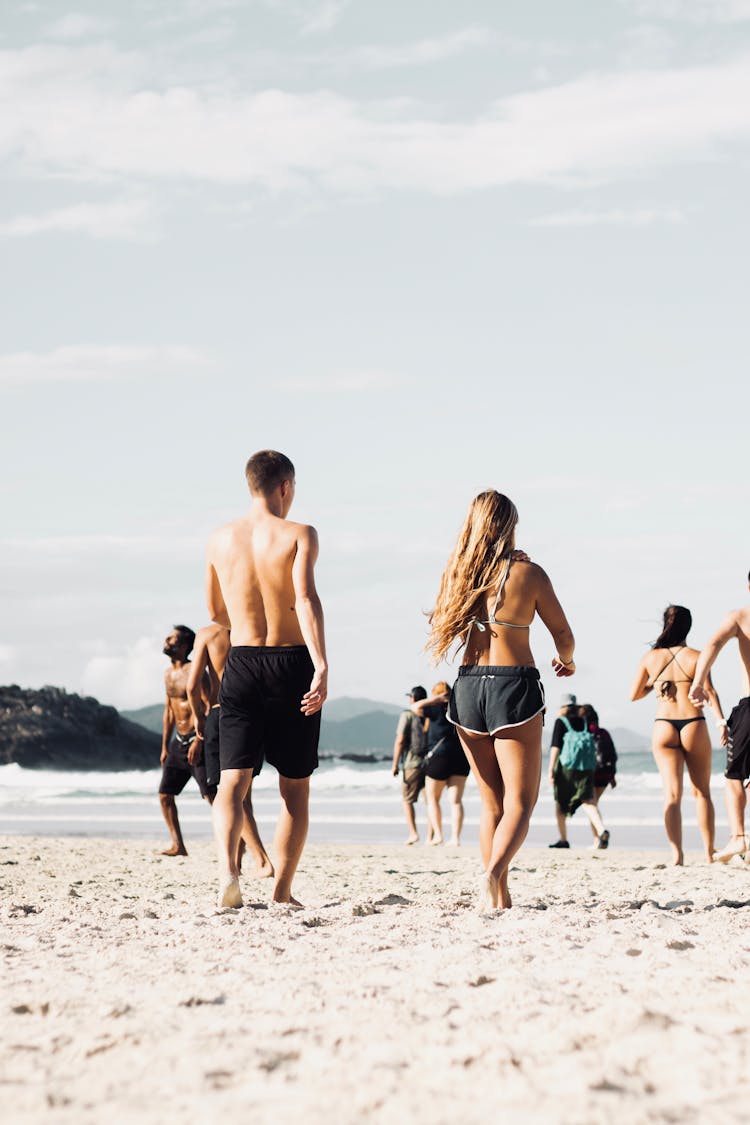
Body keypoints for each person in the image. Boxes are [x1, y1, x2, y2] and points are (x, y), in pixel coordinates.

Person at [426, 490, 576, 911]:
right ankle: (492, 874)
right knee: (521, 803)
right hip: (514, 686)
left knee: (491, 803)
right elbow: (563, 635)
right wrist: (567, 662)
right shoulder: (529, 574)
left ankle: (500, 897)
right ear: (509, 526)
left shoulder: (459, 576)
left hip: (469, 687)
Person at [206, 450, 327, 908]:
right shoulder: (299, 534)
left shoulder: (218, 540)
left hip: (241, 662)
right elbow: (306, 599)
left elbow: (215, 611)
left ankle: (228, 873)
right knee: (294, 786)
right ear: (286, 487)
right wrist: (321, 663)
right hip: (290, 662)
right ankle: (281, 891)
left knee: (231, 783)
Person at [630, 604, 724, 865]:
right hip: (693, 722)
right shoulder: (697, 655)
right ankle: (708, 852)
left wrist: (656, 684)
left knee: (671, 795)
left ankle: (677, 854)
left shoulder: (651, 658)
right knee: (702, 792)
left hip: (664, 724)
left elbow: (633, 694)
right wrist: (721, 723)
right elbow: (710, 692)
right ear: (689, 626)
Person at [187, 623, 273, 879]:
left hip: (221, 711)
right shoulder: (256, 630)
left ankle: (261, 860)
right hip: (254, 713)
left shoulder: (208, 634)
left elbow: (192, 686)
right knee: (243, 794)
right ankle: (239, 856)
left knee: (224, 794)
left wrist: (197, 717)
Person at [689, 574, 750, 862]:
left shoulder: (740, 616)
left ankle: (738, 838)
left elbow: (712, 644)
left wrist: (698, 681)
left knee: (735, 776)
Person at [158, 625, 216, 856]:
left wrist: (199, 741)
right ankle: (178, 844)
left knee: (211, 796)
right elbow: (169, 712)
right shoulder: (168, 674)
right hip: (178, 742)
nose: (166, 641)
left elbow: (209, 706)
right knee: (165, 795)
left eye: (171, 638)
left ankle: (239, 843)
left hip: (197, 740)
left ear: (184, 646)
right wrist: (164, 746)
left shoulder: (196, 670)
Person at [410, 681, 471, 846]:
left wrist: (434, 700)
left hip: (439, 757)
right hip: (461, 758)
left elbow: (414, 707)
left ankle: (438, 836)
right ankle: (455, 838)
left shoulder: (434, 709)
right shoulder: (460, 709)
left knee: (432, 799)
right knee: (456, 801)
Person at [548, 695, 609, 849]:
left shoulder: (561, 722)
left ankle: (563, 839)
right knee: (588, 801)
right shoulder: (584, 721)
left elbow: (555, 747)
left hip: (567, 767)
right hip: (586, 767)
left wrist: (551, 769)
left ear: (562, 707)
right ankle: (602, 830)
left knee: (561, 804)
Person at [391, 687, 430, 845]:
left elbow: (400, 740)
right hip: (430, 762)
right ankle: (432, 835)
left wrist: (395, 764)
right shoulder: (430, 715)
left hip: (411, 763)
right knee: (431, 802)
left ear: (413, 699)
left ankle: (413, 833)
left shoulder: (407, 715)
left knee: (407, 800)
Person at [582, 703, 618, 845]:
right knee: (594, 805)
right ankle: (597, 841)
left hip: (590, 774)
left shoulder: (583, 734)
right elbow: (612, 755)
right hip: (605, 774)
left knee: (588, 803)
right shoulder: (604, 733)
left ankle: (601, 832)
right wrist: (613, 776)